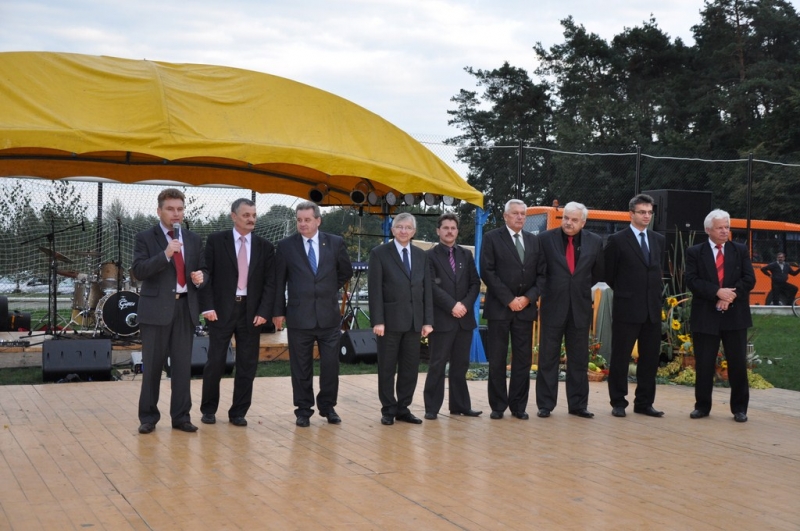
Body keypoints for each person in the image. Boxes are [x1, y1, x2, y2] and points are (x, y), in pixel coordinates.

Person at [132, 188, 206, 434]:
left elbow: (204, 269)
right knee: (153, 366)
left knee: (183, 367)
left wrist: (200, 276)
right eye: (170, 209)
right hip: (155, 310)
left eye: (180, 209)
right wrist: (165, 254)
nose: (176, 214)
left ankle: (181, 417)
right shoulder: (145, 237)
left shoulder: (193, 239)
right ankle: (148, 417)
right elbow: (139, 271)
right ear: (159, 211)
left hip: (185, 307)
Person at [273, 201, 352, 427]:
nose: (302, 224)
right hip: (299, 317)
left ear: (318, 220)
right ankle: (303, 410)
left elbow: (345, 271)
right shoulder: (286, 246)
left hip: (328, 317)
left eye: (307, 220)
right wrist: (278, 312)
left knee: (330, 366)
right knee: (300, 367)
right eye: (299, 220)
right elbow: (279, 281)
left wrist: (326, 289)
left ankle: (328, 407)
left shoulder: (335, 242)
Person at [199, 198, 275, 428]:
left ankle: (239, 412)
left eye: (253, 215)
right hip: (221, 311)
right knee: (215, 362)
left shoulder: (265, 246)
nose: (251, 219)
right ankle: (208, 410)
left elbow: (270, 283)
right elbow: (206, 274)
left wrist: (264, 311)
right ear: (234, 216)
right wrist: (208, 306)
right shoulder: (216, 241)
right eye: (246, 215)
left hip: (251, 312)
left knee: (247, 364)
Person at [685, 209, 755, 422]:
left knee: (737, 363)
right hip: (706, 316)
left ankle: (740, 409)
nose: (725, 231)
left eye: (727, 227)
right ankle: (702, 406)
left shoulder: (739, 250)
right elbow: (692, 280)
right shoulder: (695, 252)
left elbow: (749, 279)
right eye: (720, 228)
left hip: (735, 317)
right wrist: (717, 292)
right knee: (704, 364)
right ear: (708, 230)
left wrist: (729, 296)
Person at [535, 202, 604, 419]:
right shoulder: (545, 239)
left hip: (580, 308)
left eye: (574, 220)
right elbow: (539, 270)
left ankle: (578, 405)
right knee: (548, 358)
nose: (568, 223)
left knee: (579, 359)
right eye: (566, 218)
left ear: (583, 222)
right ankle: (545, 405)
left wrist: (578, 287)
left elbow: (597, 272)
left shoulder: (594, 241)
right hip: (553, 306)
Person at [480, 199, 545, 420]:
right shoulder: (491, 238)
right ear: (505, 216)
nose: (520, 217)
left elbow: (542, 275)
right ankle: (498, 406)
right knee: (497, 359)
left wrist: (527, 298)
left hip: (525, 310)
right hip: (500, 308)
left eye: (523, 214)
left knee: (523, 360)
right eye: (515, 213)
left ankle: (518, 406)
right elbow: (487, 271)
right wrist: (509, 299)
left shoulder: (534, 241)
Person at [368, 212, 433, 426]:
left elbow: (427, 289)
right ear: (393, 229)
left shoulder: (422, 255)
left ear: (414, 232)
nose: (404, 231)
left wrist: (427, 320)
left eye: (408, 228)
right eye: (400, 227)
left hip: (414, 323)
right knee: (387, 368)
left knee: (410, 368)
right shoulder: (379, 253)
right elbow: (375, 290)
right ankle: (388, 409)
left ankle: (403, 408)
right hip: (389, 323)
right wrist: (378, 320)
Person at [604, 193, 665, 418]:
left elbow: (657, 271)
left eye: (649, 212)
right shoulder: (617, 240)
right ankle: (618, 402)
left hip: (652, 310)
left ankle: (644, 403)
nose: (647, 216)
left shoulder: (658, 239)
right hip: (627, 309)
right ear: (631, 214)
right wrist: (626, 292)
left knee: (649, 360)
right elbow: (609, 273)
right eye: (642, 212)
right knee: (621, 358)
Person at [423, 213, 482, 420]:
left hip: (464, 320)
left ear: (457, 231)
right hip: (442, 319)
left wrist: (464, 305)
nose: (450, 231)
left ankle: (460, 406)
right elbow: (430, 285)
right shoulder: (429, 256)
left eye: (453, 228)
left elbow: (475, 283)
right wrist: (452, 306)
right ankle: (431, 408)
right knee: (437, 364)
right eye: (446, 228)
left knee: (460, 365)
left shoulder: (466, 254)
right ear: (438, 231)